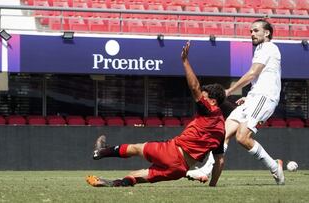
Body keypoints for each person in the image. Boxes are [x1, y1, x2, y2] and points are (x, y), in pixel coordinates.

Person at [86, 41, 226, 187]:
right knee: (136, 176)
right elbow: (220, 160)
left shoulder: (210, 111)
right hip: (179, 170)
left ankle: (101, 152)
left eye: (204, 97)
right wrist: (213, 185)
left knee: (136, 148)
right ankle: (117, 183)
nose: (201, 100)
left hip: (171, 153)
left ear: (213, 101)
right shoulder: (221, 130)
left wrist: (185, 62)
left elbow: (195, 87)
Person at [186, 19, 285, 185]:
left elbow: (253, 73)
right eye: (251, 31)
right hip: (255, 97)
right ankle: (206, 170)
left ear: (266, 33)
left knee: (242, 137)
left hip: (264, 97)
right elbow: (263, 77)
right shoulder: (262, 49)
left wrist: (229, 91)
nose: (252, 34)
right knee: (222, 133)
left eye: (255, 31)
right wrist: (250, 96)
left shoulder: (268, 47)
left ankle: (275, 167)